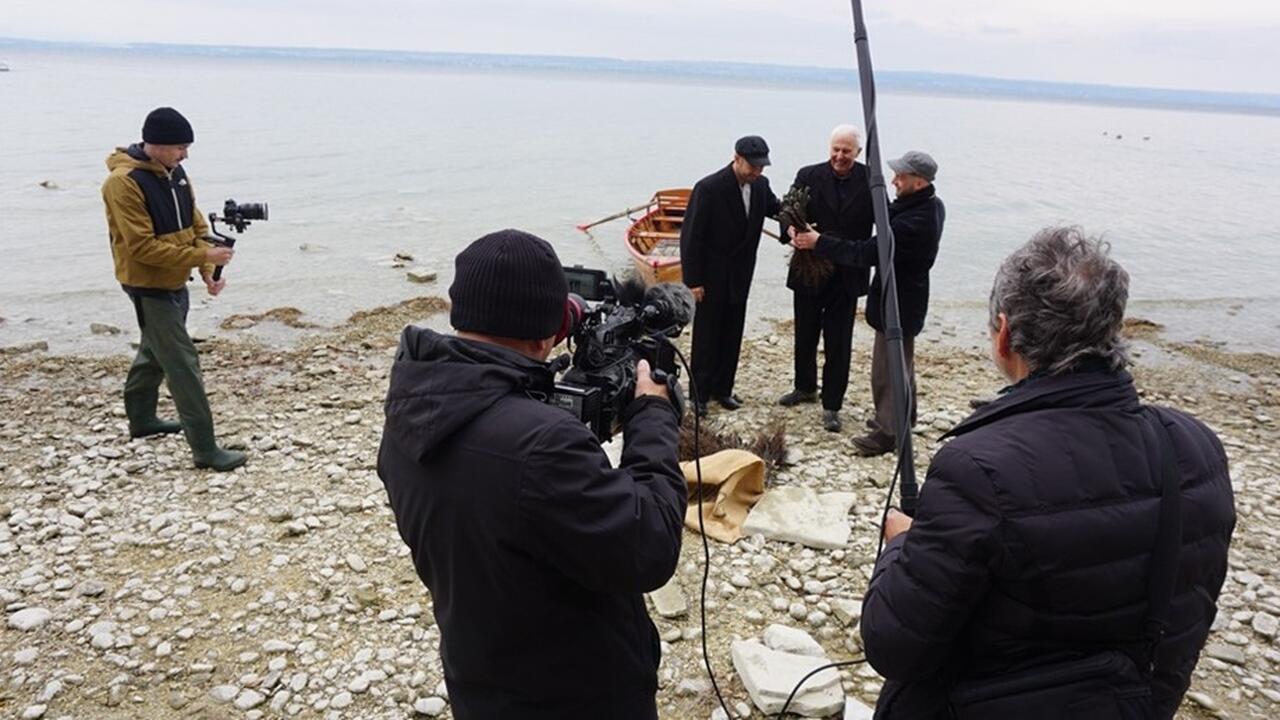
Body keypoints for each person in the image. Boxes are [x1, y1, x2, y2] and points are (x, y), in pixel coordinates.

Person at [859, 228, 1236, 719]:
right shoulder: (1196, 448)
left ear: (1003, 333)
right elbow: (1190, 612)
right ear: (1112, 330)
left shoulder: (976, 469)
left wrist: (900, 549)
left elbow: (893, 645)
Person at [376, 229, 687, 720]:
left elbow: (507, 503)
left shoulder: (410, 412)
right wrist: (652, 415)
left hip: (480, 678)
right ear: (547, 334)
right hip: (577, 696)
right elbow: (648, 547)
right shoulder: (543, 444)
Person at [101, 107, 245, 471]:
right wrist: (202, 254)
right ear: (156, 144)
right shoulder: (123, 183)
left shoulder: (176, 174)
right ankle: (206, 449)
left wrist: (208, 268)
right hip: (146, 284)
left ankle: (142, 420)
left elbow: (196, 227)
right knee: (182, 363)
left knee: (155, 350)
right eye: (180, 147)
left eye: (186, 147)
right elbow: (142, 248)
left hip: (174, 279)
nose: (185, 154)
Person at [790, 150, 944, 455]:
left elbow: (866, 253)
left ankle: (886, 433)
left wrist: (819, 242)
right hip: (908, 296)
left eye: (901, 177)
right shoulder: (930, 205)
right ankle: (905, 418)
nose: (894, 181)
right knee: (903, 363)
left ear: (920, 181)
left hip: (899, 301)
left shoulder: (913, 222)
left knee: (886, 371)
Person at [776, 125, 874, 432]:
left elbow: (882, 228)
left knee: (839, 341)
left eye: (846, 151)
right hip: (808, 270)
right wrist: (790, 231)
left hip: (848, 273)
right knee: (804, 333)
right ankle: (805, 387)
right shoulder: (808, 174)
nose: (840, 156)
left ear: (857, 152)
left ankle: (832, 405)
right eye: (835, 149)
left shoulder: (872, 180)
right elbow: (786, 211)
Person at [681, 135, 781, 417]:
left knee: (732, 331)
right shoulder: (709, 188)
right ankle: (699, 394)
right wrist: (693, 281)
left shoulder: (761, 186)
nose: (757, 172)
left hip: (741, 272)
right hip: (711, 275)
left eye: (762, 167)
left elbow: (776, 209)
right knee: (707, 335)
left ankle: (723, 389)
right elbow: (691, 237)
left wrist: (796, 226)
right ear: (737, 158)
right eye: (753, 166)